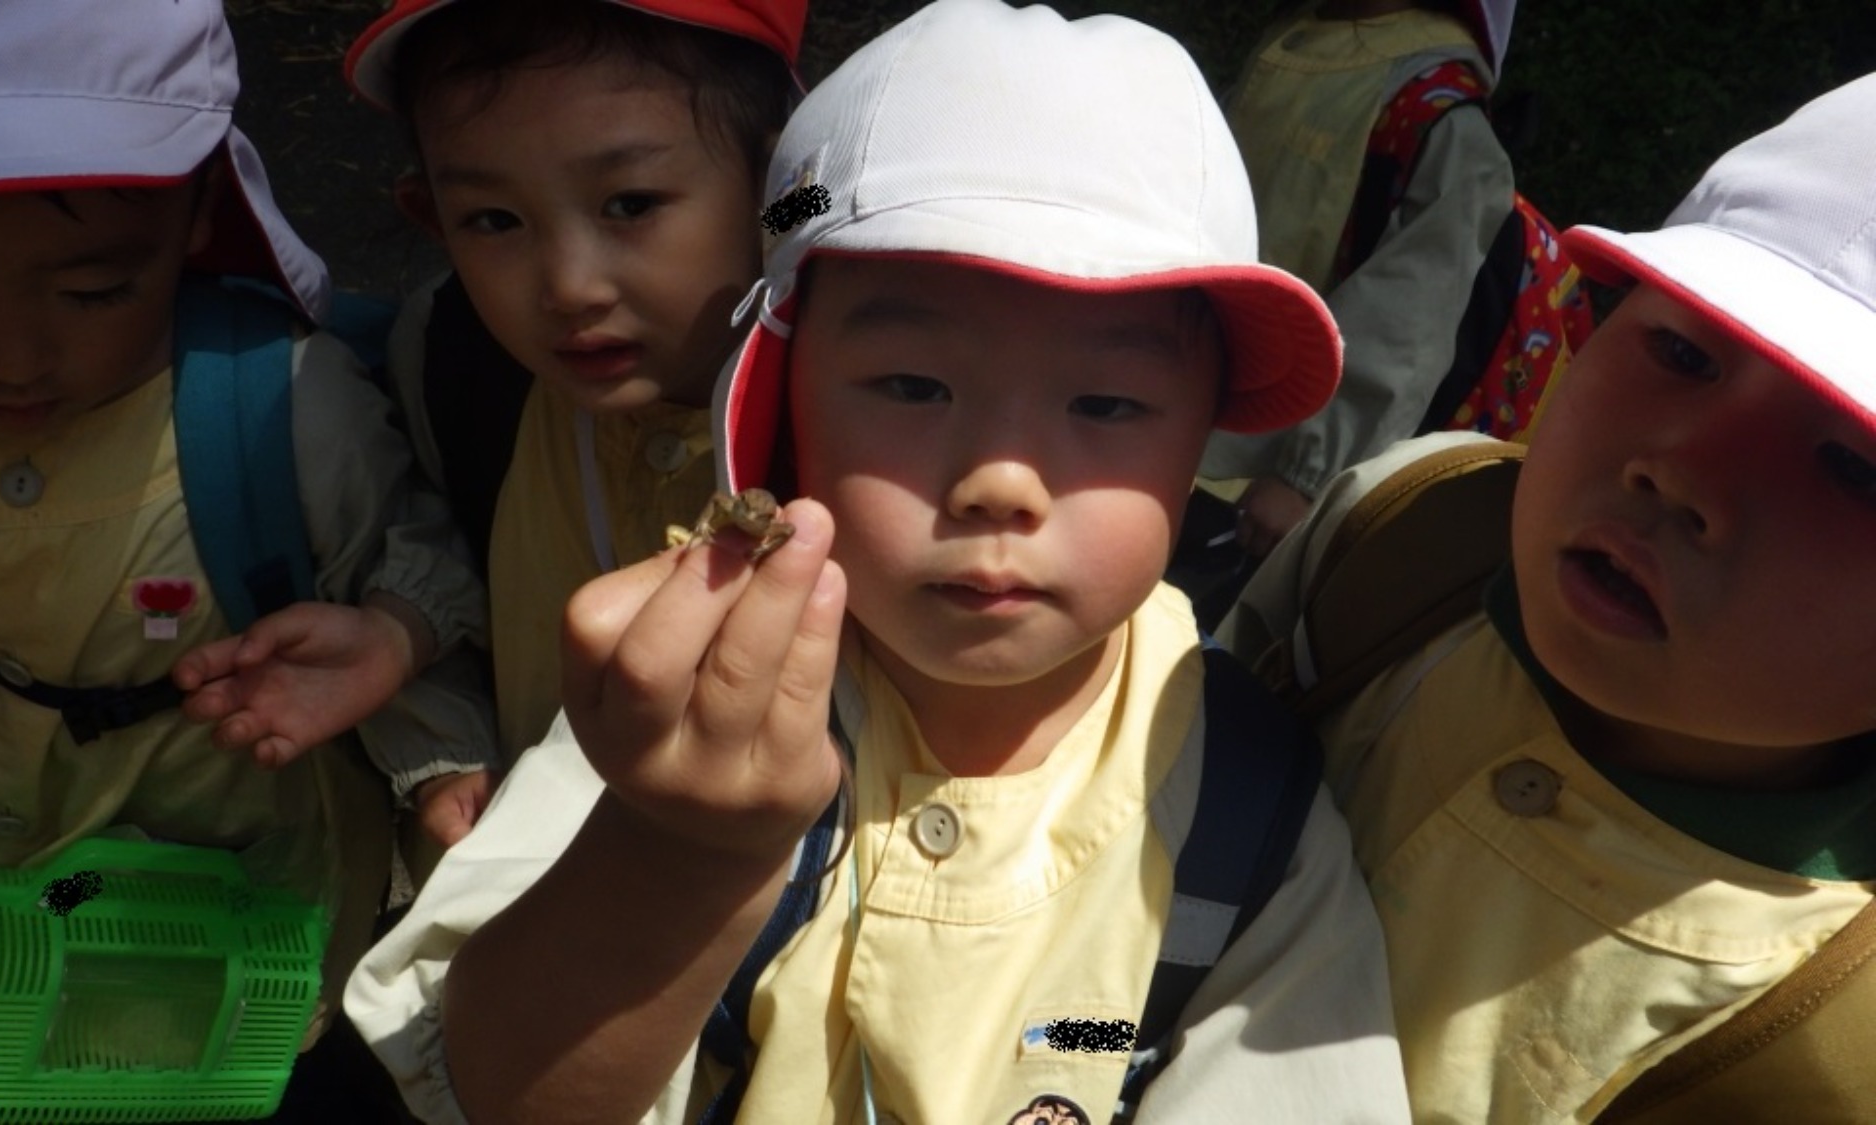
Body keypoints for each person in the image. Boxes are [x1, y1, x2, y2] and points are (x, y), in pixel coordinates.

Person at [346, 2, 1411, 1122]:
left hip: (1097, 1029)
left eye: (1106, 402)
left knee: (1080, 1033)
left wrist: (1064, 1046)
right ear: (778, 407)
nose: (1000, 480)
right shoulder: (682, 724)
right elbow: (495, 1092)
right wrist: (677, 853)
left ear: (1199, 442)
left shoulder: (1248, 815)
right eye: (912, 386)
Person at [1217, 74, 1876, 1122]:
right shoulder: (1405, 526)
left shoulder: (1828, 1038)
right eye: (1680, 350)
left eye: (1852, 471)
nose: (1680, 469)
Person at [0, 0, 494, 1114]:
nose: (9, 357)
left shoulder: (280, 412)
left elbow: (426, 568)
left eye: (90, 288)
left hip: (226, 958)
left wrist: (423, 715)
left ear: (203, 205)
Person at [341, 0, 805, 759]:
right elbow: (453, 554)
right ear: (431, 218)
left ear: (776, 186)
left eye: (631, 204)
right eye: (494, 219)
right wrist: (443, 738)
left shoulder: (879, 420)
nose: (569, 287)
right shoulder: (453, 363)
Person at [1202, 0, 1589, 560]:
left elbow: (1408, 316)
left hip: (1247, 475)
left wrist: (1307, 474)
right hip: (1197, 412)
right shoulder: (1306, 36)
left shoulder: (1434, 108)